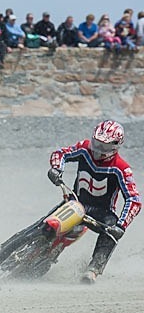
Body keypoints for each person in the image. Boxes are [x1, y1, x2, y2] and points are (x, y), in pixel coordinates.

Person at [48, 121, 140, 284]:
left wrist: (121, 226)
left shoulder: (121, 168)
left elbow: (134, 200)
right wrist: (56, 168)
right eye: (96, 143)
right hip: (75, 203)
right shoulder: (84, 148)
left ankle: (93, 269)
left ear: (115, 146)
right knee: (46, 221)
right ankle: (0, 251)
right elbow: (61, 153)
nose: (97, 150)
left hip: (101, 214)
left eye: (104, 147)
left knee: (112, 229)